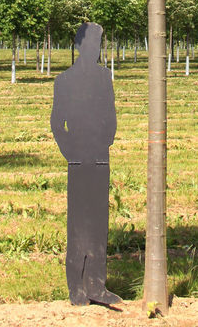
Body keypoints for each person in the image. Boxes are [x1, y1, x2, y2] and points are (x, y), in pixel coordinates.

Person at [50, 21, 120, 306]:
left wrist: (105, 141)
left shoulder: (104, 78)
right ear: (79, 46)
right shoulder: (64, 81)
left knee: (98, 220)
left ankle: (97, 285)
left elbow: (111, 117)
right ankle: (76, 288)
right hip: (78, 157)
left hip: (100, 155)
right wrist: (71, 152)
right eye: (91, 42)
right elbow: (57, 123)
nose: (95, 48)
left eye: (99, 43)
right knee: (78, 221)